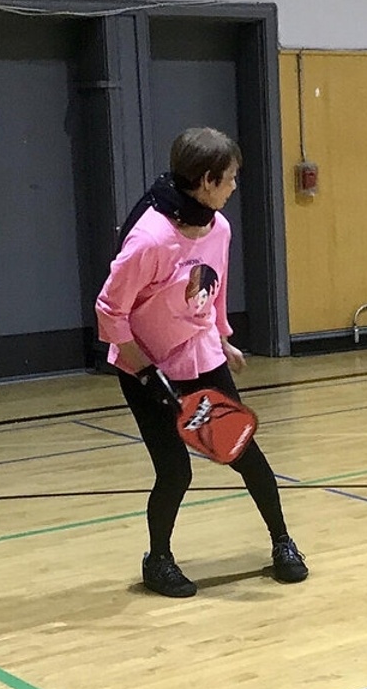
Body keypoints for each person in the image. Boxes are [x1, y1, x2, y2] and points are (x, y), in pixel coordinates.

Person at [95, 126, 308, 597]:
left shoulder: (220, 227)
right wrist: (147, 373)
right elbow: (109, 312)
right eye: (230, 178)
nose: (235, 187)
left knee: (245, 453)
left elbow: (214, 288)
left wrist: (223, 338)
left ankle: (283, 542)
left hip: (201, 356)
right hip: (145, 367)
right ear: (208, 181)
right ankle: (159, 560)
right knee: (176, 471)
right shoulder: (150, 241)